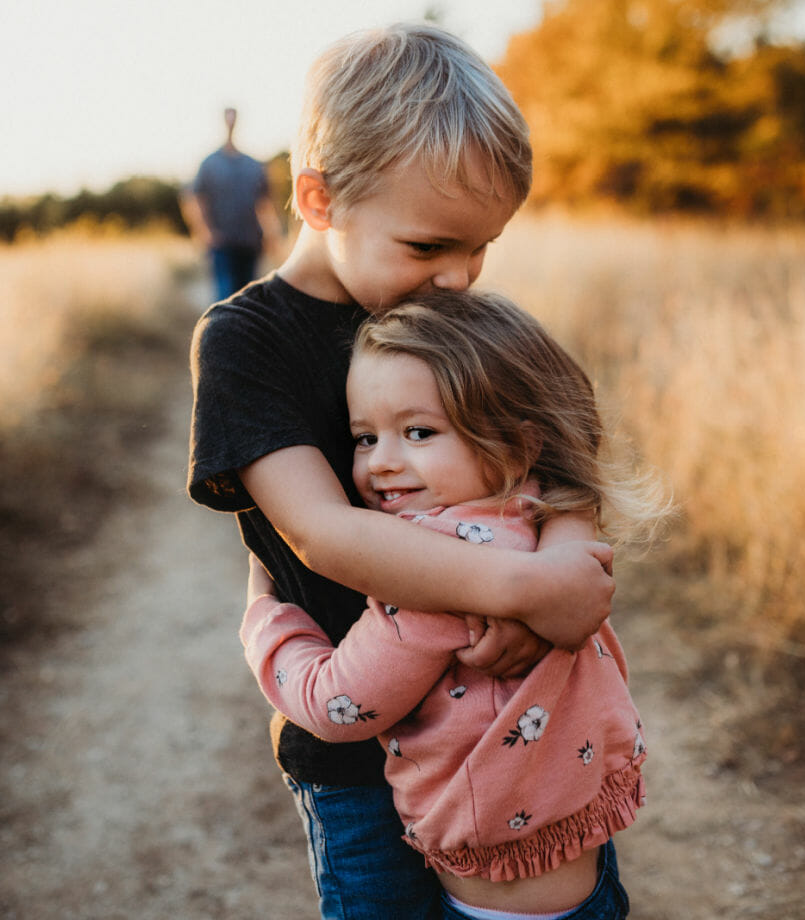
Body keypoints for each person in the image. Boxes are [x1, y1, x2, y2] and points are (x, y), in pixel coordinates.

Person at [188, 23, 616, 919]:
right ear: (317, 199)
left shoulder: (455, 317)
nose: (460, 277)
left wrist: (564, 565)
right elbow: (325, 532)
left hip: (520, 729)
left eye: (482, 248)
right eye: (429, 248)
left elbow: (569, 453)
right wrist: (524, 587)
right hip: (357, 757)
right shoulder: (247, 342)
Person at [241, 290, 668, 920]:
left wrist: (263, 614)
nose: (382, 463)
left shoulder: (433, 577)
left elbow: (334, 705)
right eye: (364, 437)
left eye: (418, 432)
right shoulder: (536, 517)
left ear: (518, 443)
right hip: (586, 877)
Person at [181, 107, 282, 301]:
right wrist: (205, 231)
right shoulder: (209, 164)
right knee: (225, 297)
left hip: (250, 241)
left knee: (247, 298)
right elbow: (194, 198)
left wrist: (272, 235)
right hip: (222, 243)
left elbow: (265, 203)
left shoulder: (253, 165)